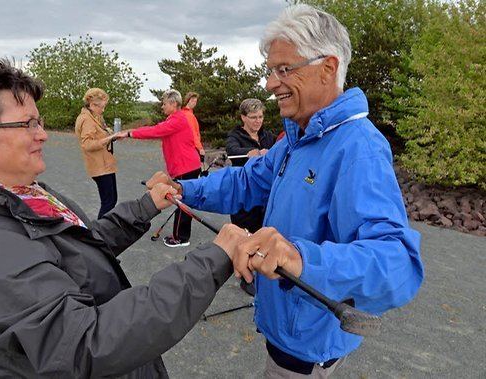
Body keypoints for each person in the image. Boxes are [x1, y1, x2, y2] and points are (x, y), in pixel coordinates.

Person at [146, 4, 423, 377]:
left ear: (327, 68)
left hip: (305, 348)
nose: (270, 83)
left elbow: (398, 262)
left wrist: (300, 258)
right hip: (284, 330)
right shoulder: (298, 137)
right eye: (270, 70)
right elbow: (245, 181)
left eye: (284, 69)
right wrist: (183, 188)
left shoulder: (359, 147)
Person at [0, 58, 247, 378]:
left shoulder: (25, 194)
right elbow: (84, 345)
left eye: (39, 122)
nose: (43, 135)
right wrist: (212, 261)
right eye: (27, 124)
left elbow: (81, 250)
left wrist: (145, 206)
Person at [118, 89, 201, 248]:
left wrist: (129, 133)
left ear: (173, 104)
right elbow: (157, 128)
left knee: (182, 201)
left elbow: (155, 131)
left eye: (164, 103)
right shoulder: (173, 118)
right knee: (181, 200)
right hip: (184, 166)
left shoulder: (178, 119)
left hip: (187, 166)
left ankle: (181, 237)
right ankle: (181, 235)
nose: (162, 106)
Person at [226, 98, 276, 232]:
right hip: (243, 194)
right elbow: (232, 150)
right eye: (253, 117)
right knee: (243, 235)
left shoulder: (268, 135)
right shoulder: (234, 136)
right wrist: (251, 153)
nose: (258, 121)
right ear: (243, 117)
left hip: (265, 194)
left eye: (260, 116)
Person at [75, 88, 118, 219]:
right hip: (99, 166)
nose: (103, 110)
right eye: (102, 107)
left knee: (111, 200)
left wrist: (113, 135)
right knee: (108, 202)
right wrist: (108, 139)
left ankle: (104, 229)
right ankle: (101, 232)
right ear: (92, 105)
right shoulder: (87, 120)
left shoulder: (96, 117)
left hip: (105, 165)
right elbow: (87, 144)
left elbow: (102, 132)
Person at [182, 91, 205, 162]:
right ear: (188, 101)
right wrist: (200, 148)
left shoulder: (185, 113)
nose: (194, 103)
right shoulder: (188, 115)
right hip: (191, 147)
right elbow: (193, 133)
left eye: (195, 101)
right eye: (193, 101)